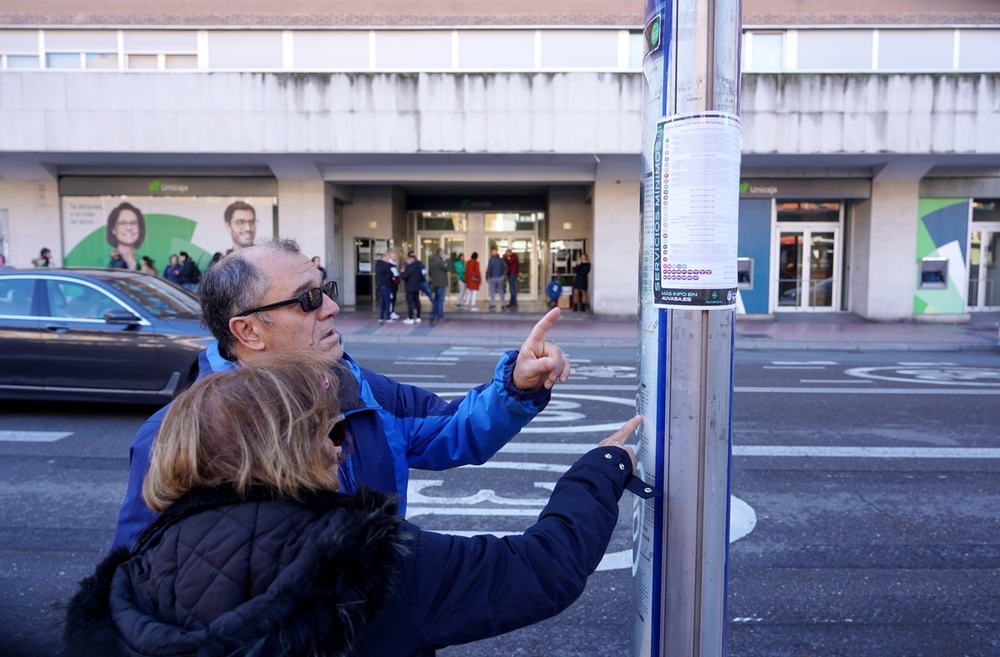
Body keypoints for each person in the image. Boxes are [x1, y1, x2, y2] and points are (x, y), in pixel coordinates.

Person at [66, 351, 648, 657]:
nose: (343, 445)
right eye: (330, 431)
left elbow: (445, 426)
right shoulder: (371, 569)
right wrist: (599, 470)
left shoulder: (125, 582)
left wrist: (516, 389)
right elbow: (543, 570)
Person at [109, 237, 571, 552]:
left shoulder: (361, 389)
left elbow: (453, 431)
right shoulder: (180, 435)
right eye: (307, 299)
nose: (331, 308)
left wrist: (515, 386)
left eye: (324, 290)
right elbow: (143, 577)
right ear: (247, 330)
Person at [106, 202, 146, 271]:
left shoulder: (143, 262)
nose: (129, 228)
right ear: (113, 229)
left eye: (133, 223)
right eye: (122, 223)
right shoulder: (104, 261)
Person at [400, 250, 425, 324]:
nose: (407, 261)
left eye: (408, 260)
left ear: (411, 260)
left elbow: (404, 277)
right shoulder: (418, 267)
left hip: (410, 288)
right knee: (417, 302)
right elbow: (421, 277)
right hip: (416, 287)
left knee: (410, 303)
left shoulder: (409, 268)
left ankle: (410, 317)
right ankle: (418, 317)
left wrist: (402, 272)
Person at [428, 247, 450, 322]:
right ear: (441, 253)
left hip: (435, 283)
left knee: (436, 300)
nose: (445, 254)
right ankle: (440, 316)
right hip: (441, 283)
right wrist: (448, 259)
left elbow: (430, 273)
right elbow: (449, 268)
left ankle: (432, 314)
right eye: (444, 252)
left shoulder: (432, 261)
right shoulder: (440, 261)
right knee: (440, 300)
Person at [374, 251, 396, 324]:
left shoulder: (378, 265)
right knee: (387, 302)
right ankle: (388, 317)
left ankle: (381, 317)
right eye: (388, 257)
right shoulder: (384, 265)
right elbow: (391, 273)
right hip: (385, 285)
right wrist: (389, 275)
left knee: (383, 302)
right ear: (385, 257)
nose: (388, 259)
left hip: (380, 285)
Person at [486, 247, 507, 311]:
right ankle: (503, 305)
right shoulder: (501, 260)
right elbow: (506, 267)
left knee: (492, 291)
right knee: (501, 291)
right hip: (499, 277)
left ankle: (493, 305)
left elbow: (489, 269)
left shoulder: (491, 260)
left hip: (493, 277)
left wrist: (487, 277)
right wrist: (503, 275)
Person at [386, 250, 401, 320]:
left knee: (393, 298)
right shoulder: (389, 265)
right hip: (392, 284)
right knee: (391, 298)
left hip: (394, 284)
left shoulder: (394, 264)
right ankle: (390, 312)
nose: (395, 257)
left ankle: (392, 311)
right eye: (394, 256)